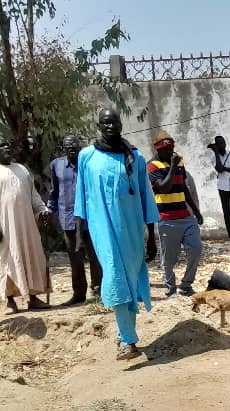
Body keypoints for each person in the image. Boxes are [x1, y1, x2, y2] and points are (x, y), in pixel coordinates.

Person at [74, 108, 160, 361]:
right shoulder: (86, 157)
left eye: (115, 122)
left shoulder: (135, 157)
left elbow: (147, 199)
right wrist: (80, 236)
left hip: (132, 230)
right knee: (114, 276)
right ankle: (128, 340)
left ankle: (125, 335)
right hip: (103, 230)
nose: (111, 126)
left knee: (130, 280)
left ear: (121, 124)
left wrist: (151, 237)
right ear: (99, 125)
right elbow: (82, 198)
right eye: (105, 122)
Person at [147, 131, 204, 298]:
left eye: (172, 147)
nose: (170, 151)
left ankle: (186, 285)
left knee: (196, 248)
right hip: (166, 218)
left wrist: (195, 210)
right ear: (158, 149)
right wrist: (172, 166)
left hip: (185, 215)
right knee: (169, 258)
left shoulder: (178, 162)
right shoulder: (152, 165)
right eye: (166, 148)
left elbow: (184, 187)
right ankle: (170, 288)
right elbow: (163, 187)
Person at [0, 131, 51, 314]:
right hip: (5, 228)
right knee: (8, 260)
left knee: (32, 257)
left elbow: (34, 196)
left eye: (7, 144)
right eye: (1, 146)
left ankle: (34, 298)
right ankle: (10, 302)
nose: (6, 148)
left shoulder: (22, 169)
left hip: (28, 226)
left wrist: (42, 211)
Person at [49, 135, 102, 306]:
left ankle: (98, 290)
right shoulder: (56, 165)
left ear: (80, 146)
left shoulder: (87, 163)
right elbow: (54, 191)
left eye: (74, 145)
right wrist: (50, 209)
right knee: (75, 258)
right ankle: (79, 293)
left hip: (90, 218)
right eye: (67, 145)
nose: (71, 147)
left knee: (95, 256)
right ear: (63, 148)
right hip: (67, 218)